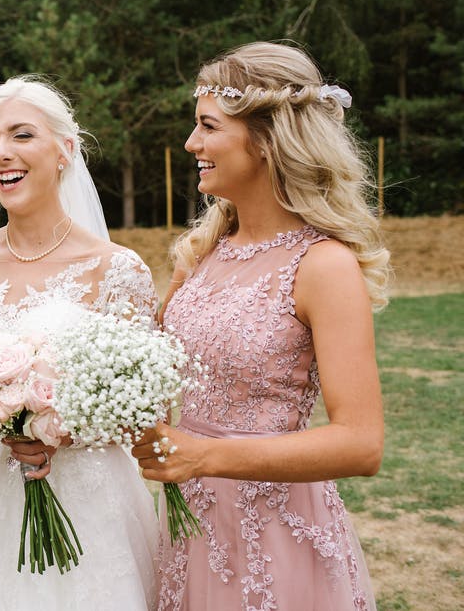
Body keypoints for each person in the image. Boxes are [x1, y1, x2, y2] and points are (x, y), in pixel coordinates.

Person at [131, 41, 388, 610]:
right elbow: (150, 374)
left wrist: (206, 456)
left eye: (207, 126)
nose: (191, 143)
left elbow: (361, 443)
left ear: (268, 140)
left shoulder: (324, 265)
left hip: (276, 533)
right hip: (190, 526)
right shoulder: (203, 253)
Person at [0, 76, 159, 610]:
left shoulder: (116, 269)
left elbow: (145, 408)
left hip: (85, 502)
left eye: (22, 135)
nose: (2, 153)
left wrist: (61, 428)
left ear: (65, 149)